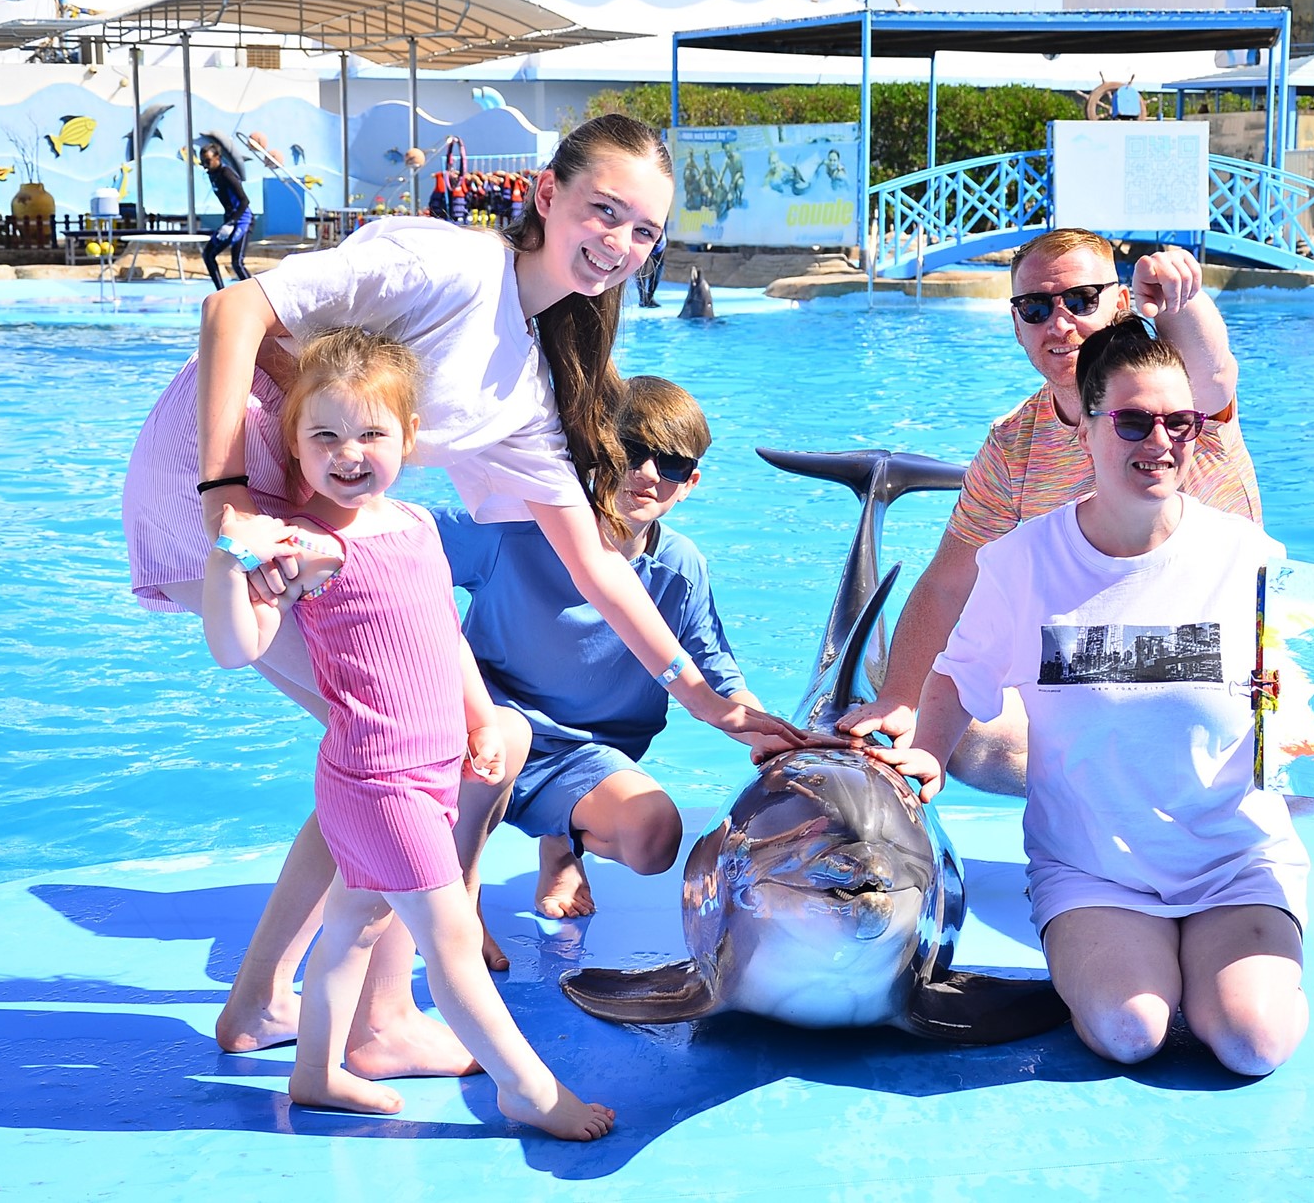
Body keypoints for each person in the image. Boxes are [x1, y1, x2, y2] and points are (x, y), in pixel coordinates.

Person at [121, 112, 803, 1072]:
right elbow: (235, 310)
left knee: (383, 751)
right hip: (224, 481)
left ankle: (268, 1000)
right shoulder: (448, 264)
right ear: (545, 194)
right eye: (604, 211)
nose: (619, 242)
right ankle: (377, 1020)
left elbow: (595, 562)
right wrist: (226, 494)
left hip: (307, 514)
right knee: (413, 747)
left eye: (645, 230)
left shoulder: (526, 386)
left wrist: (704, 698)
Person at [871, 319, 1309, 1079]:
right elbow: (959, 675)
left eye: (1180, 422)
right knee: (1129, 1030)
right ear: (1088, 429)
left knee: (1252, 1044)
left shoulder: (1252, 559)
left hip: (1236, 861)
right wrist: (926, 757)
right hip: (1093, 869)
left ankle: (1231, 979)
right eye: (1134, 422)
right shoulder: (1022, 561)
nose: (1160, 442)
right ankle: (1158, 969)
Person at [202, 327, 612, 1136]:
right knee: (451, 939)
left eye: (370, 432)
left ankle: (316, 1072)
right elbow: (234, 647)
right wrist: (227, 559)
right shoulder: (308, 547)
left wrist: (478, 715)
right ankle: (527, 1090)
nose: (348, 453)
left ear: (409, 436)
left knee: (354, 925)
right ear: (294, 445)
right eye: (324, 435)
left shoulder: (419, 526)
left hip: (426, 771)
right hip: (374, 781)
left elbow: (442, 633)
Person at [839, 232, 1260, 795]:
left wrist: (1181, 296)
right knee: (962, 734)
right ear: (1017, 325)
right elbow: (948, 582)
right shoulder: (1014, 445)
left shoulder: (1173, 400)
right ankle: (1113, 800)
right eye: (1036, 308)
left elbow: (1213, 373)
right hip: (1101, 666)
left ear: (1121, 303)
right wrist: (899, 699)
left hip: (1219, 669)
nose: (1060, 324)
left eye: (1082, 300)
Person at [439, 376, 759, 969]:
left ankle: (561, 846)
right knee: (503, 741)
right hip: (486, 733)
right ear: (595, 452)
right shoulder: (512, 529)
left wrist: (787, 741)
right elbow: (393, 543)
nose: (646, 473)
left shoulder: (680, 566)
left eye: (670, 464)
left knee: (653, 838)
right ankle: (460, 898)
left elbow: (719, 677)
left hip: (582, 758)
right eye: (630, 451)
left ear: (690, 483)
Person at [200, 143, 253, 290]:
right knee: (208, 254)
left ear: (217, 158)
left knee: (237, 263)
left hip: (242, 220)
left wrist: (232, 222)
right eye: (202, 162)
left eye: (207, 161)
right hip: (230, 220)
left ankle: (256, 294)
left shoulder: (227, 174)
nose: (205, 165)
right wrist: (227, 222)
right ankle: (221, 292)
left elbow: (244, 201)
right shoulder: (212, 174)